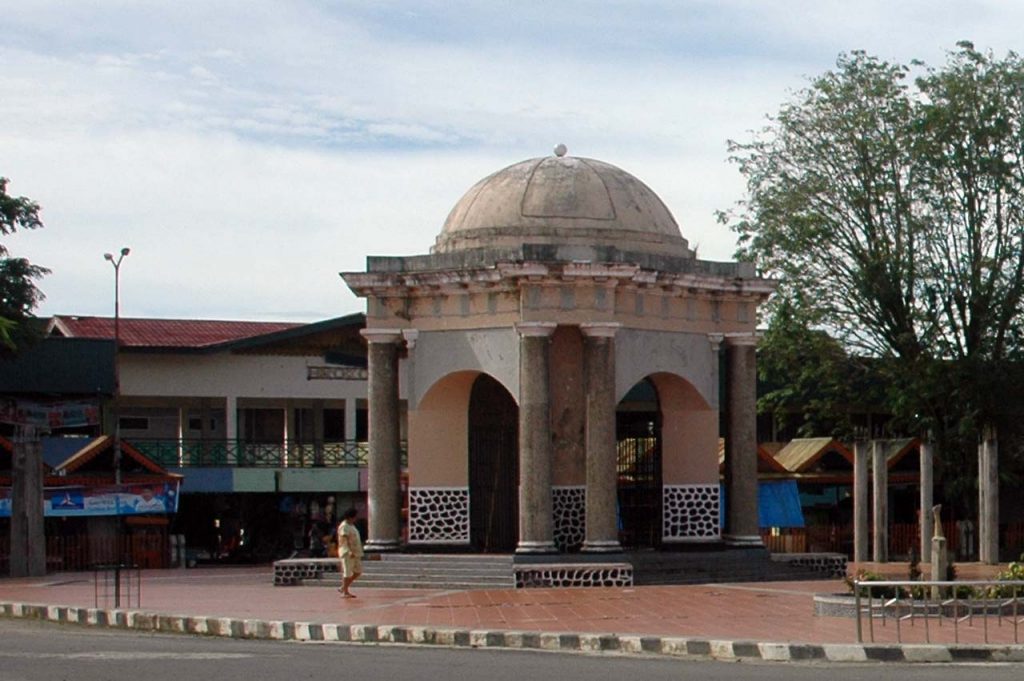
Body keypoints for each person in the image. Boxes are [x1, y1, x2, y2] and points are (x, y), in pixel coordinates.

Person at [337, 508, 363, 598]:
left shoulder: (352, 526)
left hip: (356, 552)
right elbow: (344, 540)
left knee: (358, 571)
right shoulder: (344, 526)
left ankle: (343, 587)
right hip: (347, 552)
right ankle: (345, 592)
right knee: (347, 572)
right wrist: (349, 551)